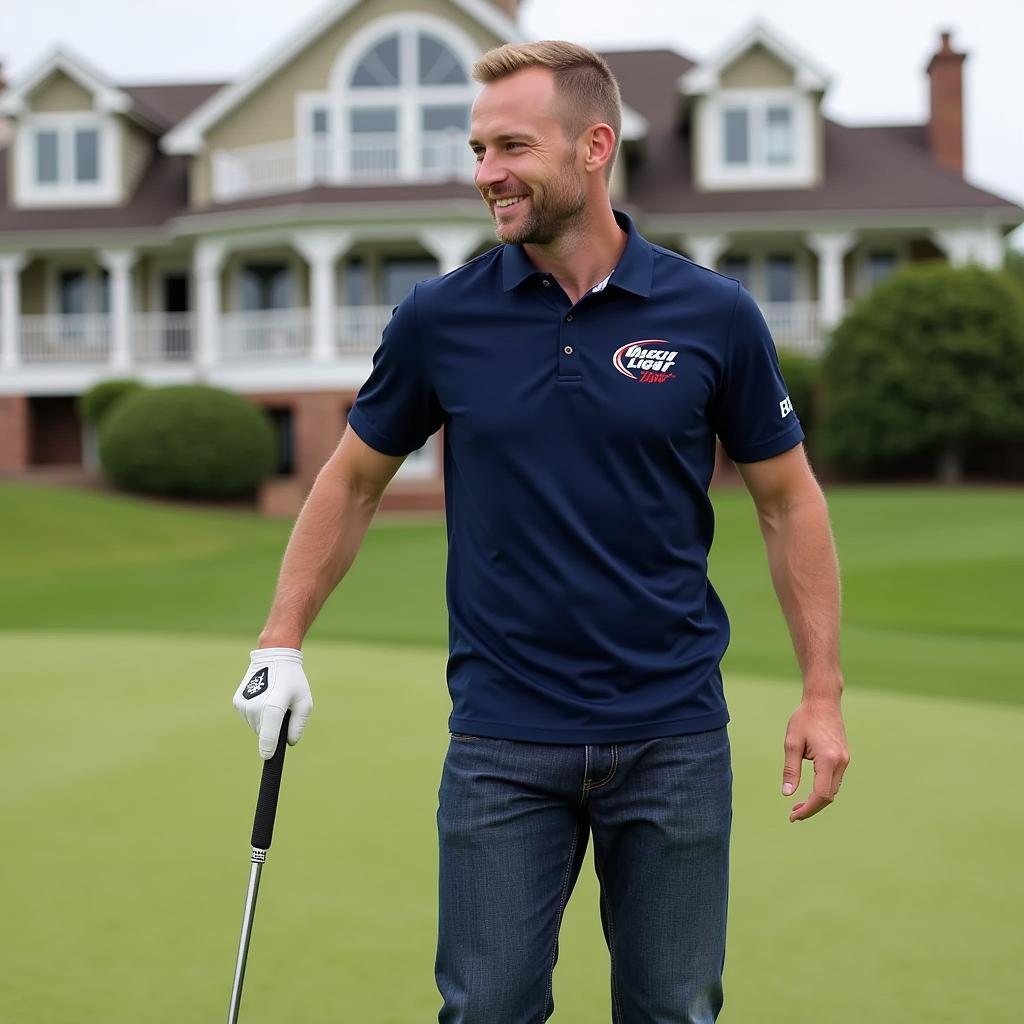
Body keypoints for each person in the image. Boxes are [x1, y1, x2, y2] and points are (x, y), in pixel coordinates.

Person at [232, 40, 850, 1024]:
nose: (486, 174)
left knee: (674, 1012)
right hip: (500, 738)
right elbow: (350, 483)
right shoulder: (440, 318)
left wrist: (820, 687)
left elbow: (788, 501)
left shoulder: (713, 315)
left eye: (510, 146)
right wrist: (280, 636)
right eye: (477, 150)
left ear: (594, 146)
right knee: (485, 1010)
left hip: (674, 734)